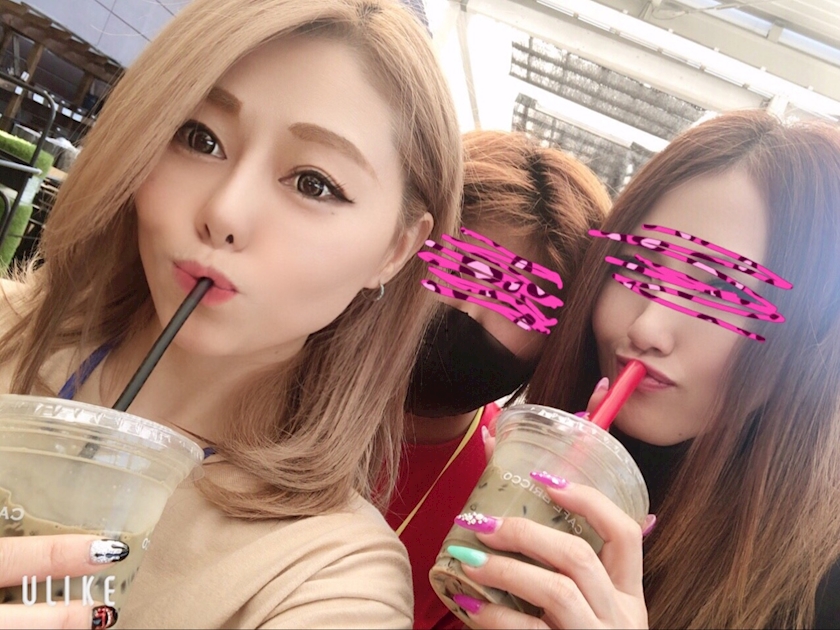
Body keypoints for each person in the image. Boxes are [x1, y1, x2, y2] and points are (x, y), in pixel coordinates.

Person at [0, 0, 462, 628]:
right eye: (201, 138)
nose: (225, 212)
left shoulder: (330, 578)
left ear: (395, 250)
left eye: (314, 183)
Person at [444, 110, 840, 629]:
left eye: (721, 291)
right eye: (638, 267)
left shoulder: (821, 588)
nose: (648, 326)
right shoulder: (517, 463)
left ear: (812, 343)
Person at [391, 130, 609, 629]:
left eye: (522, 300)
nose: (468, 310)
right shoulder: (276, 366)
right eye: (458, 264)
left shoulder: (507, 500)